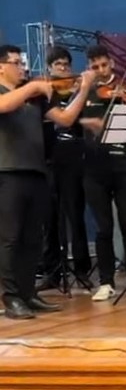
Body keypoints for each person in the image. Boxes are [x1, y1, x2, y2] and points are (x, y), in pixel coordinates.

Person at [0, 44, 95, 319]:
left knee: (32, 239)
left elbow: (65, 119)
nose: (22, 68)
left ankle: (28, 293)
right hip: (8, 172)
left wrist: (84, 89)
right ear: (2, 66)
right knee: (9, 239)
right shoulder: (15, 92)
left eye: (22, 63)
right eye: (17, 63)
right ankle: (11, 297)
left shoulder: (34, 96)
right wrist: (33, 87)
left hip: (37, 171)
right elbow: (5, 105)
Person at [78, 45, 126, 302]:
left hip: (123, 165)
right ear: (89, 67)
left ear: (111, 63)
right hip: (94, 168)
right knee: (103, 228)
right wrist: (87, 121)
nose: (101, 71)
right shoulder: (84, 92)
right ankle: (106, 282)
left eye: (104, 65)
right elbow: (69, 119)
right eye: (95, 67)